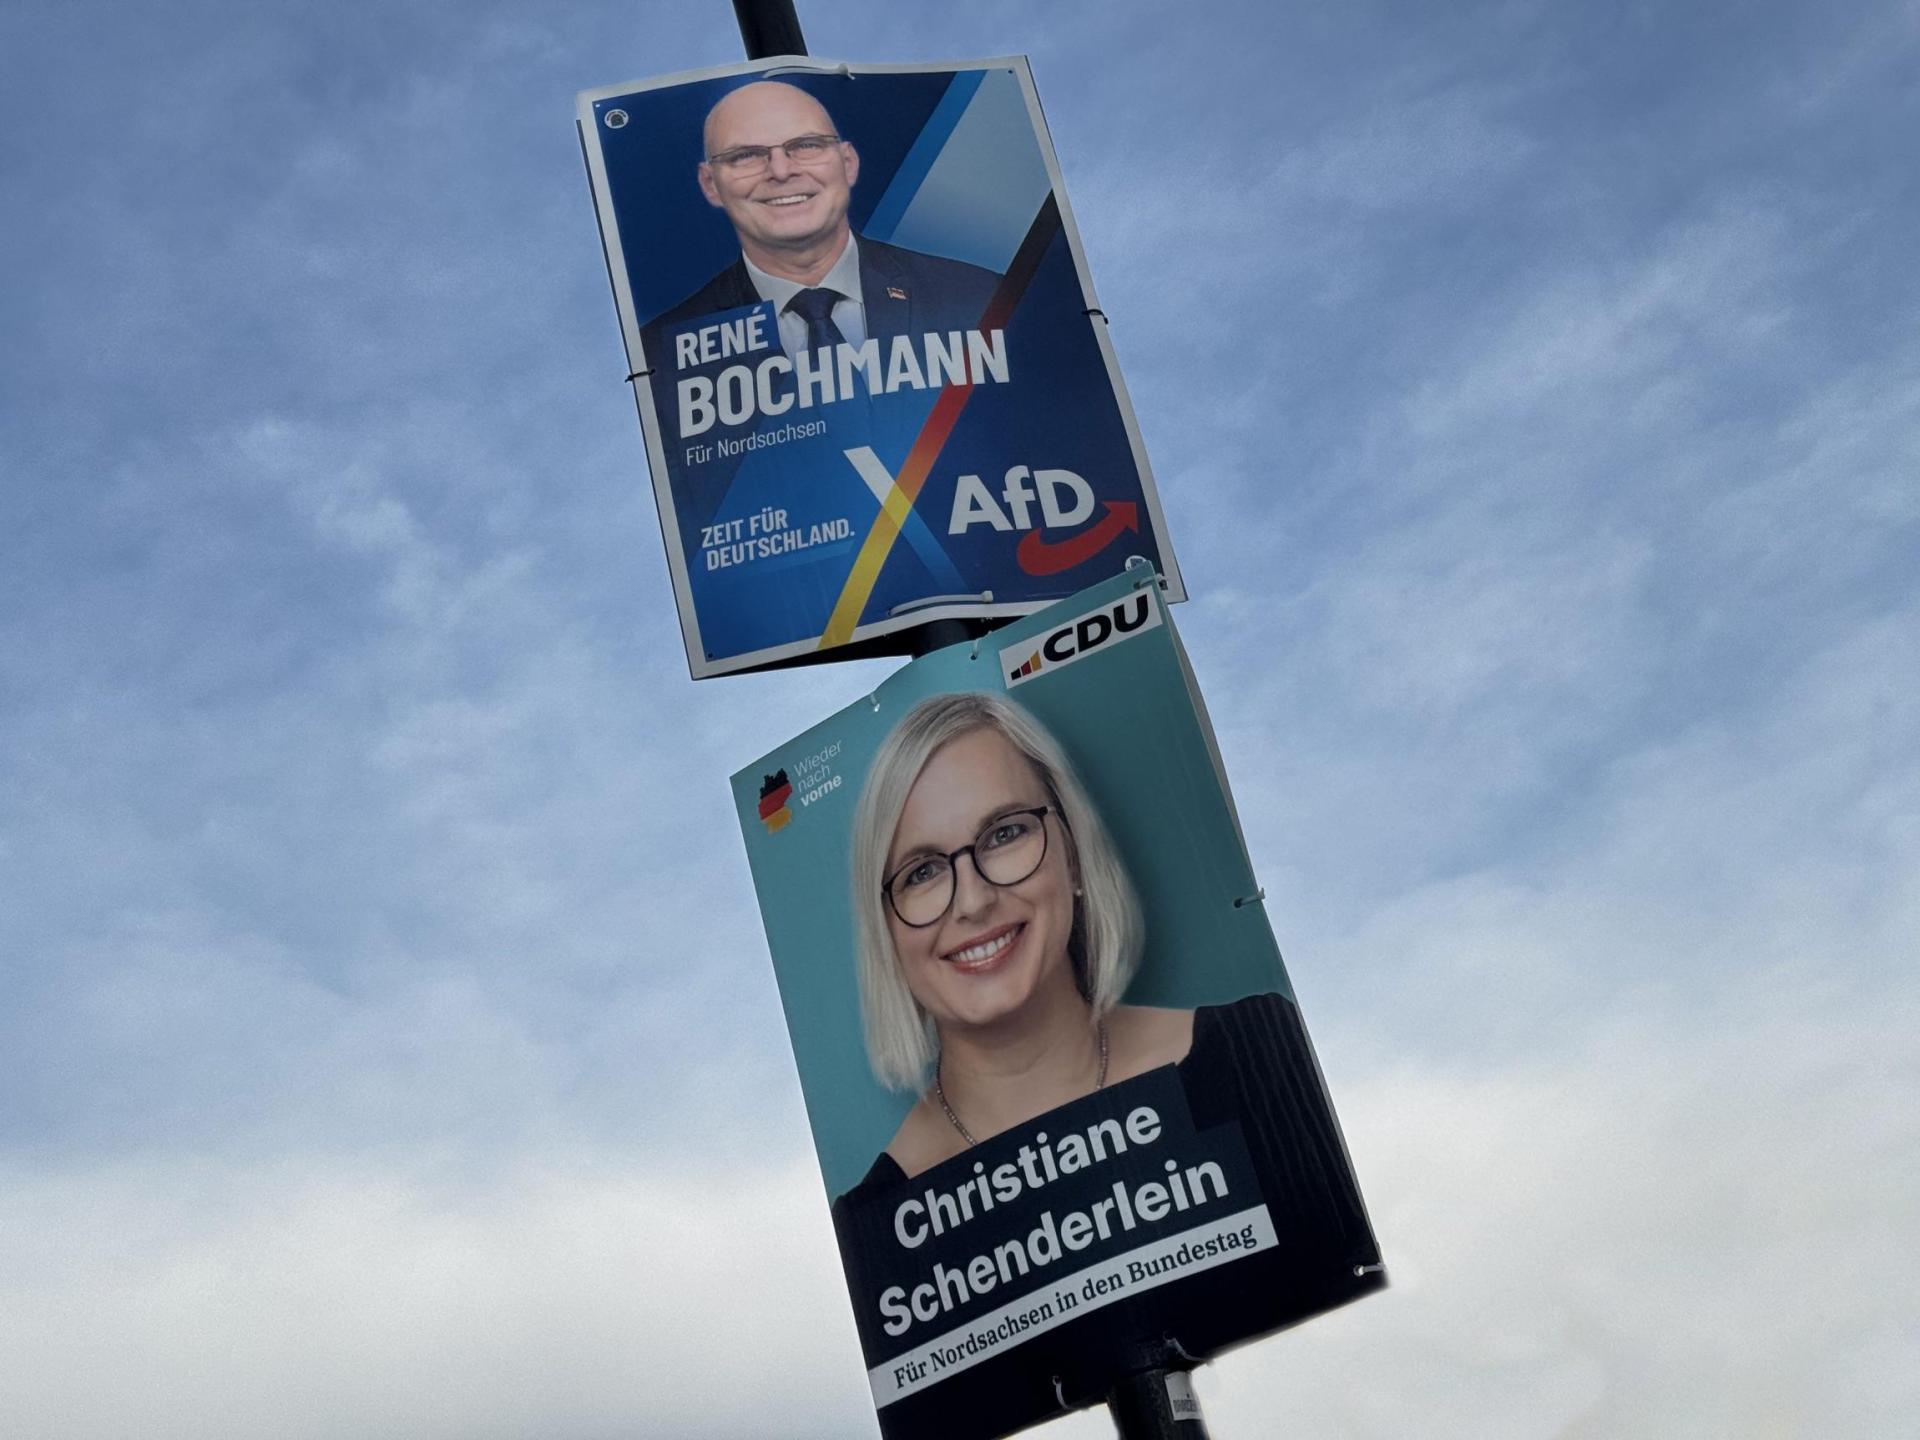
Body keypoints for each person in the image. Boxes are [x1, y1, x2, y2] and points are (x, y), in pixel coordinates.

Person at [642, 80, 1002, 371]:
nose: (781, 172)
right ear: (710, 183)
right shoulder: (662, 355)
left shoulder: (982, 299)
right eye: (745, 156)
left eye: (806, 145)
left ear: (847, 163)